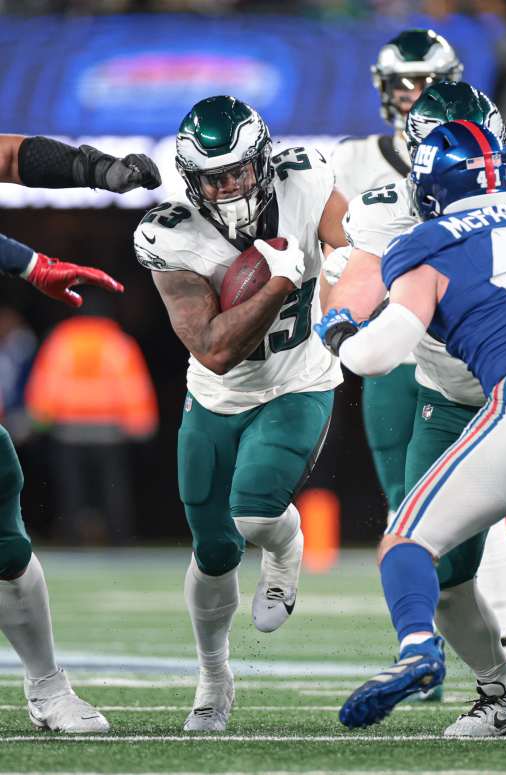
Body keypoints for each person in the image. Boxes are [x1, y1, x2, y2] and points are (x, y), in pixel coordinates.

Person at [320, 121, 506, 747]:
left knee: (406, 539)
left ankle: (418, 650)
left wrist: (340, 334)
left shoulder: (424, 240)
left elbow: (380, 355)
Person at [330, 33, 506, 702]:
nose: (410, 95)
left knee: (482, 507)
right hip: (406, 348)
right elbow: (343, 256)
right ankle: (431, 647)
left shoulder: (500, 168)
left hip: (484, 354)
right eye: (400, 82)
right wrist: (342, 308)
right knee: (415, 507)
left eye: (423, 82)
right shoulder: (357, 163)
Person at [134, 95, 346, 732]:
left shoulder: (307, 176)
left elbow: (352, 252)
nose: (227, 186)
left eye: (237, 170)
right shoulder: (168, 233)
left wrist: (337, 280)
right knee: (215, 547)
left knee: (253, 510)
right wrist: (282, 280)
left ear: (264, 160)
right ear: (189, 179)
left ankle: (286, 546)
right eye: (212, 176)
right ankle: (214, 675)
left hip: (297, 381)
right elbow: (216, 350)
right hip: (218, 395)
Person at [0, 133, 159, 733]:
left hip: (88, 432)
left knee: (3, 518)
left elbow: (11, 157)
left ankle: (46, 684)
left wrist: (95, 168)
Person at [25, 313, 158, 545]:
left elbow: (47, 382)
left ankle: (71, 539)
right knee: (113, 489)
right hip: (109, 432)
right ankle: (120, 540)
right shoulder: (117, 342)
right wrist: (141, 424)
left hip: (68, 430)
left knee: (71, 489)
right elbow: (132, 385)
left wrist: (39, 419)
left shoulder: (61, 341)